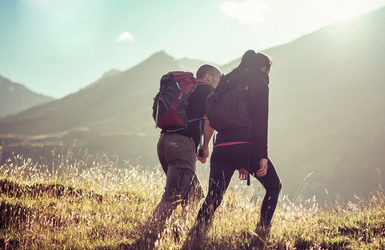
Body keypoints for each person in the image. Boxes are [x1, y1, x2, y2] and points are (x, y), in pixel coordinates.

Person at [182, 50, 282, 249]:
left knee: (214, 195)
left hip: (222, 147)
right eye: (268, 70)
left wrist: (237, 160)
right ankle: (261, 235)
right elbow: (260, 120)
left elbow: (216, 116)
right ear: (263, 68)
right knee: (274, 186)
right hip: (248, 146)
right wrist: (261, 155)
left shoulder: (228, 81)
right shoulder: (259, 81)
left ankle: (195, 237)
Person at [124, 64, 222, 250]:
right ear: (208, 77)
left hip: (165, 142)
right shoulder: (206, 90)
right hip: (181, 145)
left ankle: (181, 234)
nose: (218, 83)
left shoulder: (188, 90)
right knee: (172, 196)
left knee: (193, 195)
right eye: (217, 78)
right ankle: (145, 241)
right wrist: (205, 146)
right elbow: (210, 120)